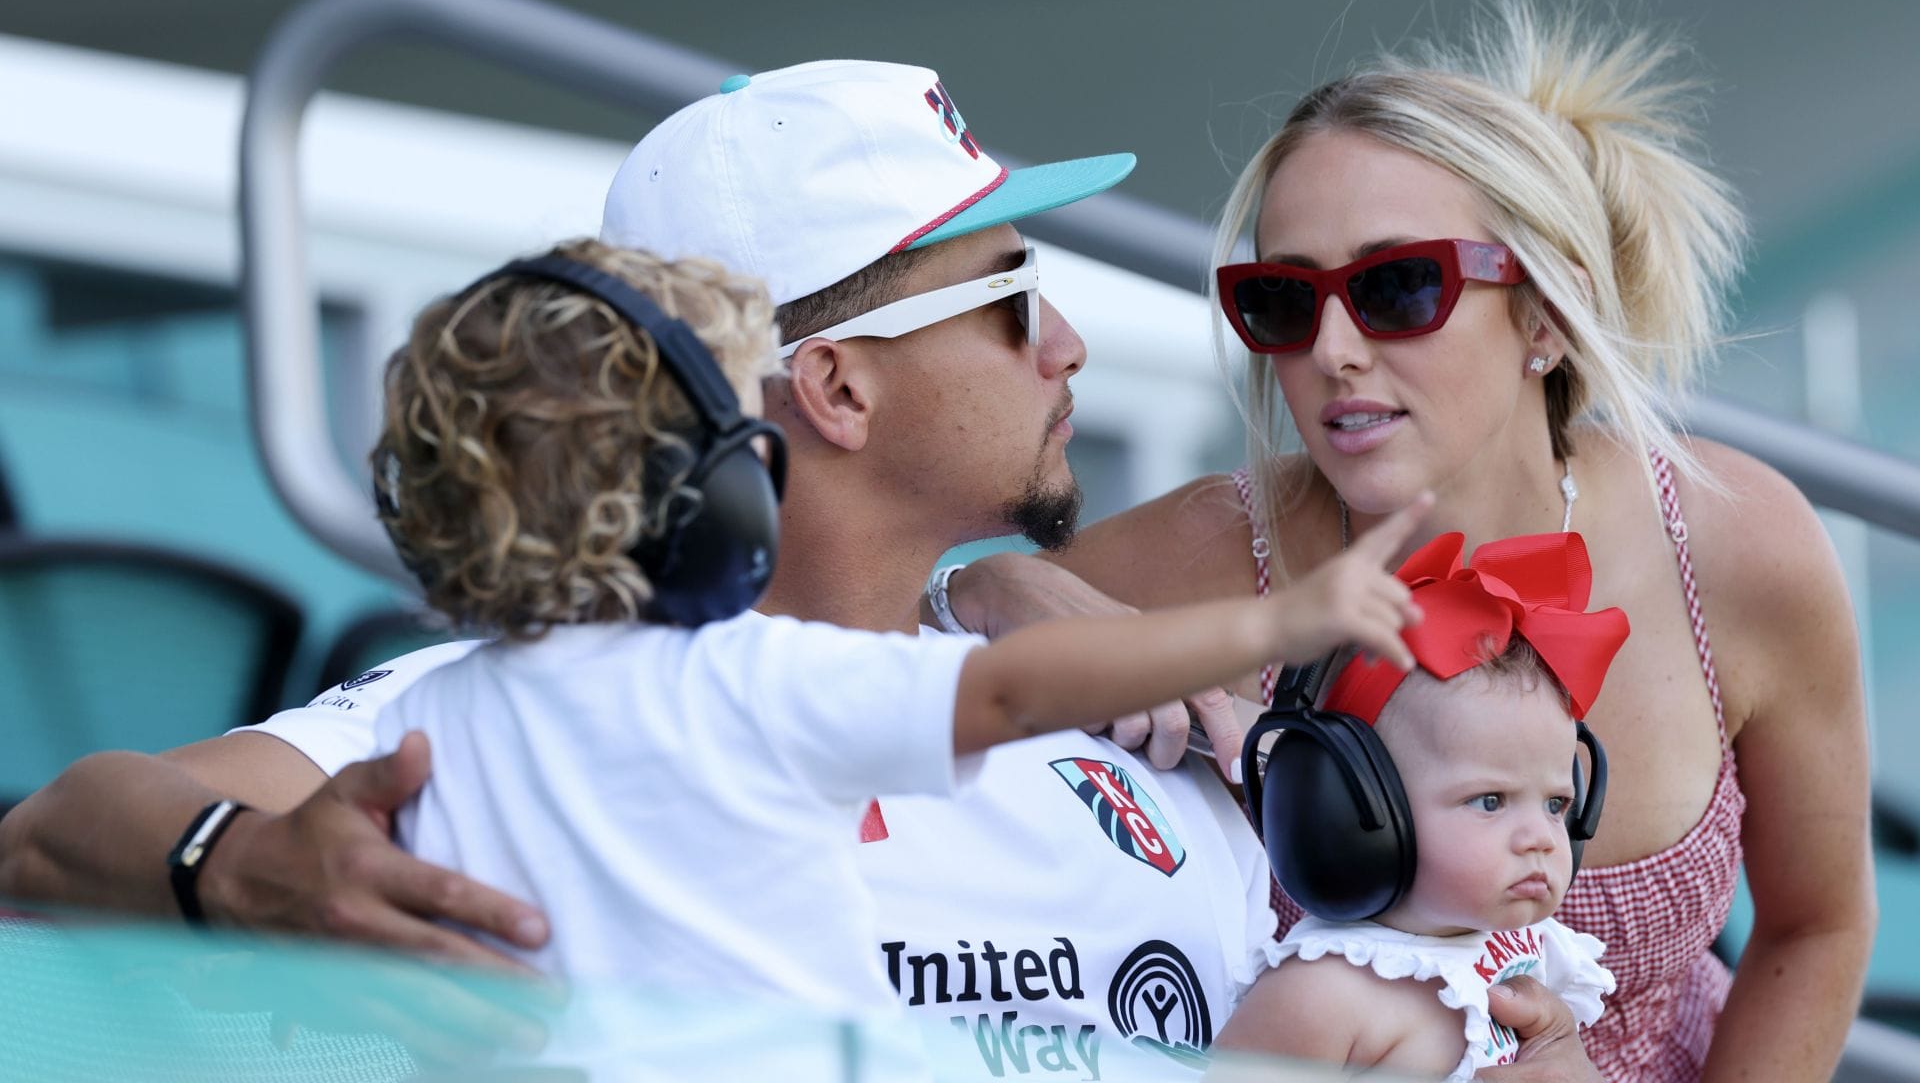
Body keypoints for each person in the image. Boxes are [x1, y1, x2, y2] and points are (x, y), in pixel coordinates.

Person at [0, 59, 1600, 1080]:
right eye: (1009, 298)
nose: (1065, 343)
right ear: (832, 388)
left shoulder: (1143, 718)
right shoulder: (504, 714)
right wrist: (232, 867)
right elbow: (48, 836)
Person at [944, 0, 1875, 1081]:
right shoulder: (1193, 560)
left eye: (1395, 288)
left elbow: (1817, 924)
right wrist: (987, 588)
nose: (1332, 349)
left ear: (1546, 313)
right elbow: (842, 668)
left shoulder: (1729, 545)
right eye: (1284, 300)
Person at [362, 233, 1427, 1020]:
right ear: (718, 487)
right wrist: (1279, 624)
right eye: (737, 420)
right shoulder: (753, 677)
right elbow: (1013, 689)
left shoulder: (421, 723)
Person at [1217, 530, 1626, 1078]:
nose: (1542, 838)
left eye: (1556, 804)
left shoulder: (1525, 952)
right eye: (1490, 800)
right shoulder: (1324, 995)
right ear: (1352, 808)